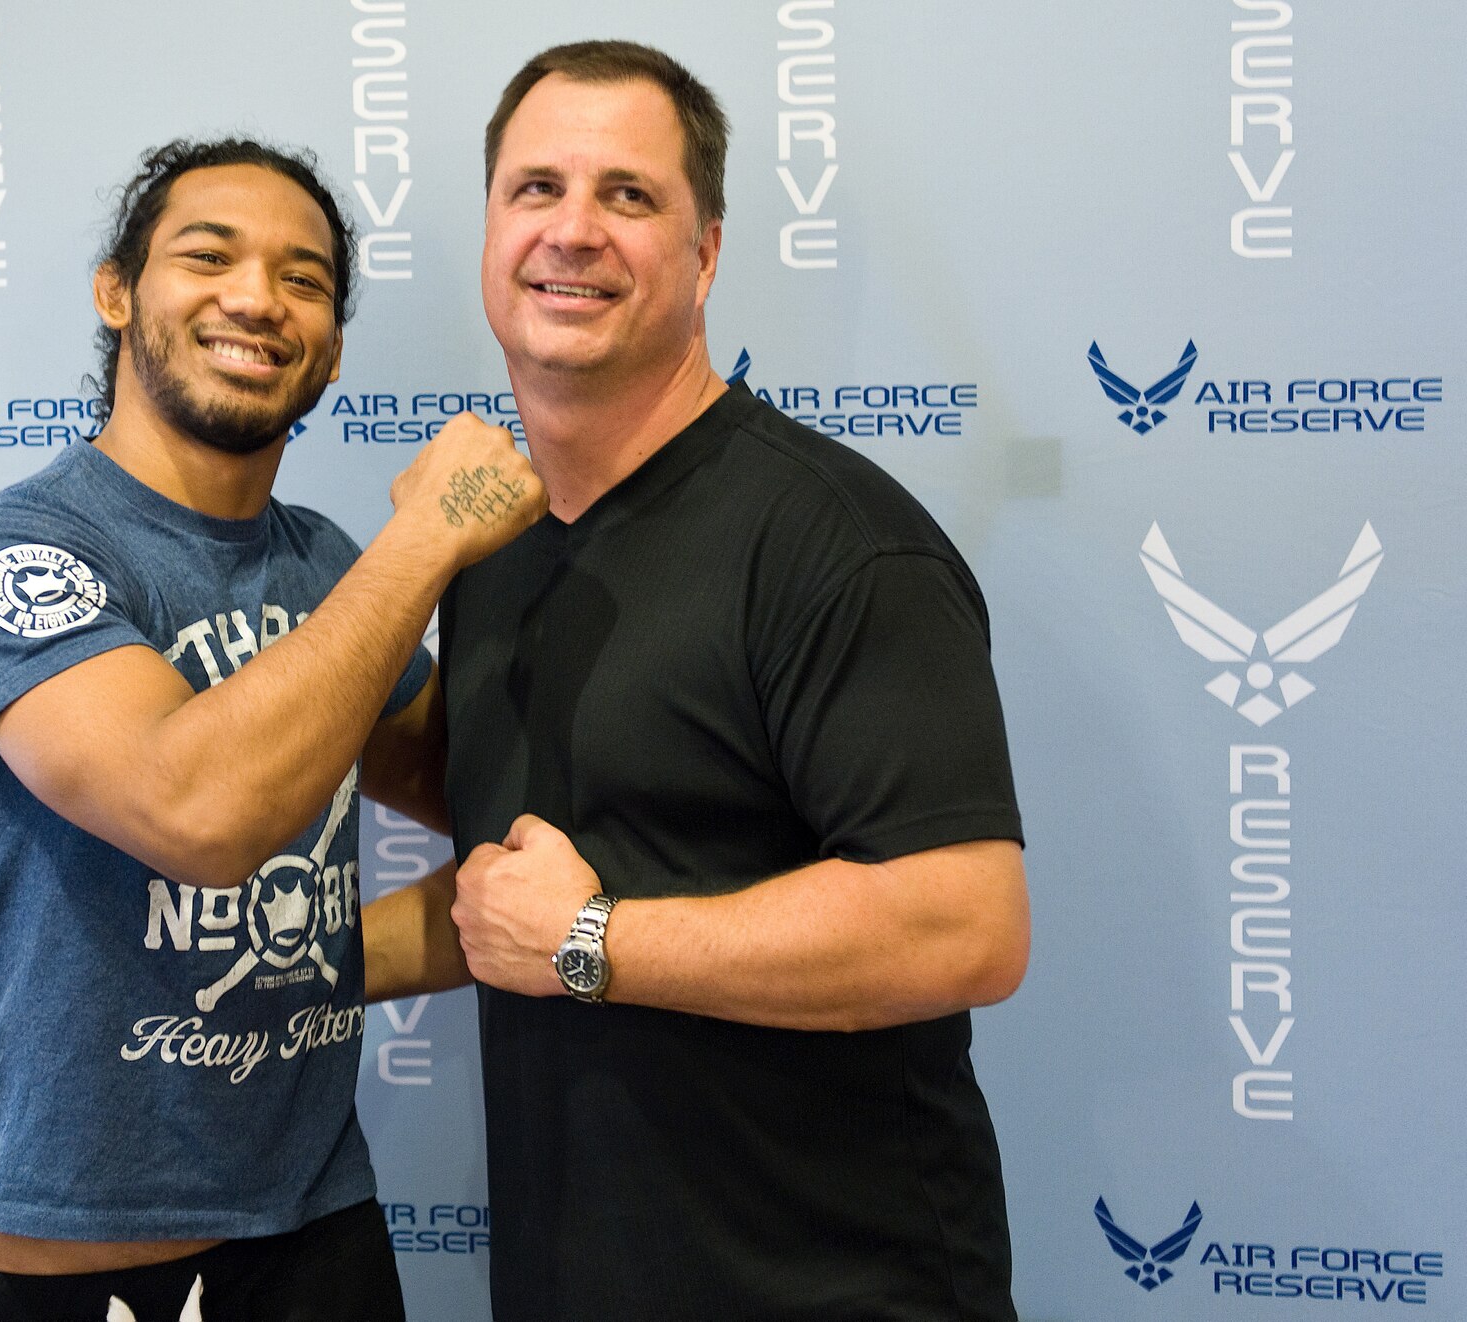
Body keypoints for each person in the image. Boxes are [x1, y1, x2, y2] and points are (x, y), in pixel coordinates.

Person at [362, 42, 1031, 1321]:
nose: (571, 231)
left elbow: (965, 921)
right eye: (534, 188)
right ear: (488, 227)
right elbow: (561, 827)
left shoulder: (831, 538)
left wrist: (586, 941)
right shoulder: (489, 550)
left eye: (628, 195)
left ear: (707, 252)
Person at [0, 137, 542, 1322]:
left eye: (303, 279)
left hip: (313, 1241)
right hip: (59, 1271)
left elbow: (495, 800)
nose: (255, 295)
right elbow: (195, 813)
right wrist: (428, 538)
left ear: (331, 347)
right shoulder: (11, 559)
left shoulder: (327, 572)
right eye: (208, 256)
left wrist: (360, 950)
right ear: (115, 289)